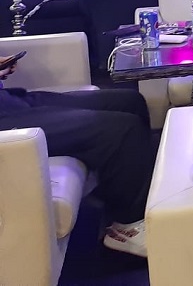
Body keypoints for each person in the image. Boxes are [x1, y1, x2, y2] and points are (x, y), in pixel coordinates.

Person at [0, 55, 152, 257]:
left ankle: (126, 201)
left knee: (130, 101)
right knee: (123, 129)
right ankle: (128, 227)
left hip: (9, 101)